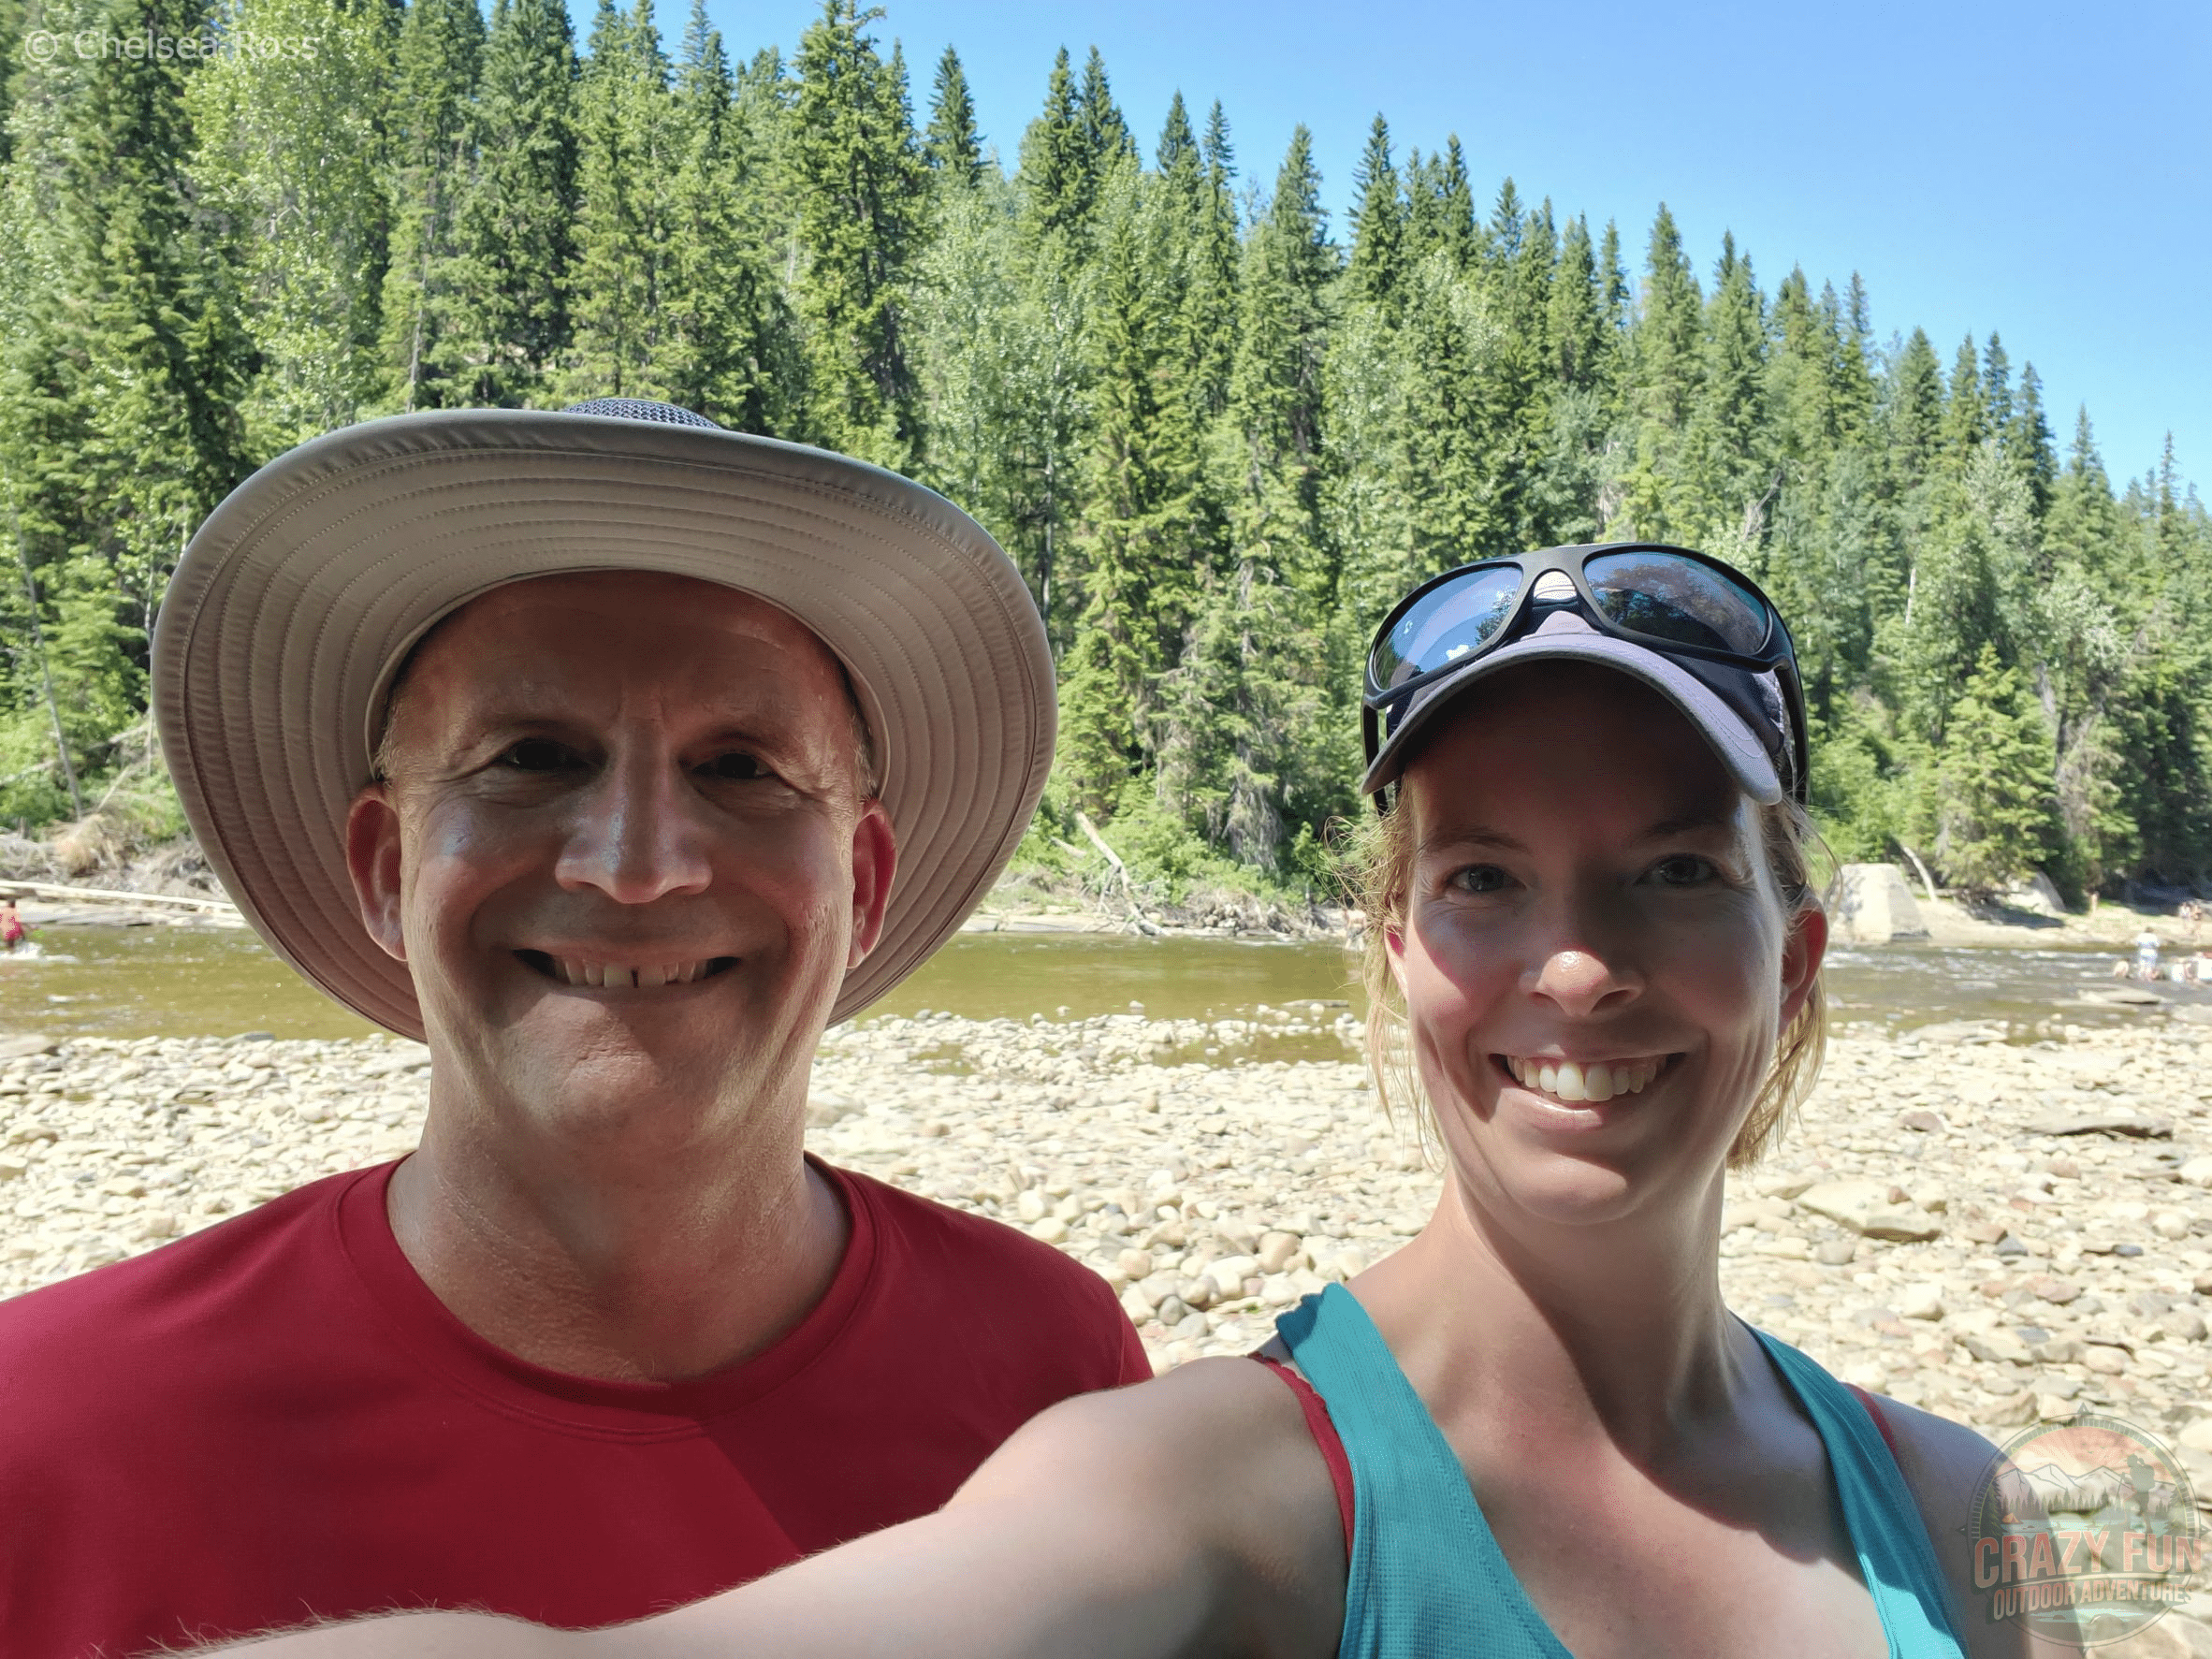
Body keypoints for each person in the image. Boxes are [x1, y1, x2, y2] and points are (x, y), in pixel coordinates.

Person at [220, 546, 2074, 1657]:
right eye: (1486, 879)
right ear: (1395, 952)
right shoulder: (1217, 1490)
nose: (1573, 971)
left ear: (1799, 958)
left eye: (1672, 874)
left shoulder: (1960, 1506)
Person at [0, 400, 1146, 1659]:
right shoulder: (51, 1435)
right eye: (533, 757)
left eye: (743, 769)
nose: (636, 866)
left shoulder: (1055, 1380)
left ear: (864, 885)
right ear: (383, 867)